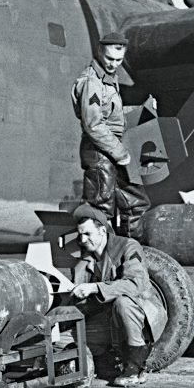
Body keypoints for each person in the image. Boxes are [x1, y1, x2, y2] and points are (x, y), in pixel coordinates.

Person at [70, 203, 167, 388]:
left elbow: (135, 284)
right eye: (80, 234)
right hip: (108, 318)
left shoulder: (128, 247)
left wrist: (95, 288)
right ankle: (109, 358)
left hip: (142, 312)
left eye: (88, 234)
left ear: (102, 231)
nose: (82, 239)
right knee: (70, 337)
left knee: (123, 303)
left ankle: (135, 367)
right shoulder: (86, 258)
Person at [71, 31, 150, 236]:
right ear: (99, 51)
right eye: (109, 58)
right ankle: (95, 254)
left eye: (119, 60)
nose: (114, 64)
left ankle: (132, 250)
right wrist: (120, 153)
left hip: (112, 150)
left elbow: (111, 115)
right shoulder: (92, 82)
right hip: (100, 152)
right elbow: (93, 125)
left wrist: (142, 109)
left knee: (136, 204)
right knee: (100, 209)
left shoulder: (108, 80)